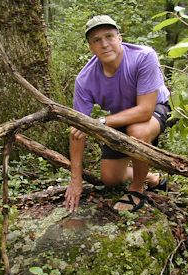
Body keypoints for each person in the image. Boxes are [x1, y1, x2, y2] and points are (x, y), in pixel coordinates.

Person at [64, 15, 170, 213]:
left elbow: (145, 111)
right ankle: (152, 178)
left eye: (109, 36)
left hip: (154, 108)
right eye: (97, 40)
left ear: (119, 38)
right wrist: (75, 180)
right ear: (91, 47)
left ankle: (137, 189)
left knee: (137, 131)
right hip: (119, 116)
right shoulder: (85, 80)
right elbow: (77, 130)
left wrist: (102, 122)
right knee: (110, 178)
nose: (104, 44)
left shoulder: (144, 56)